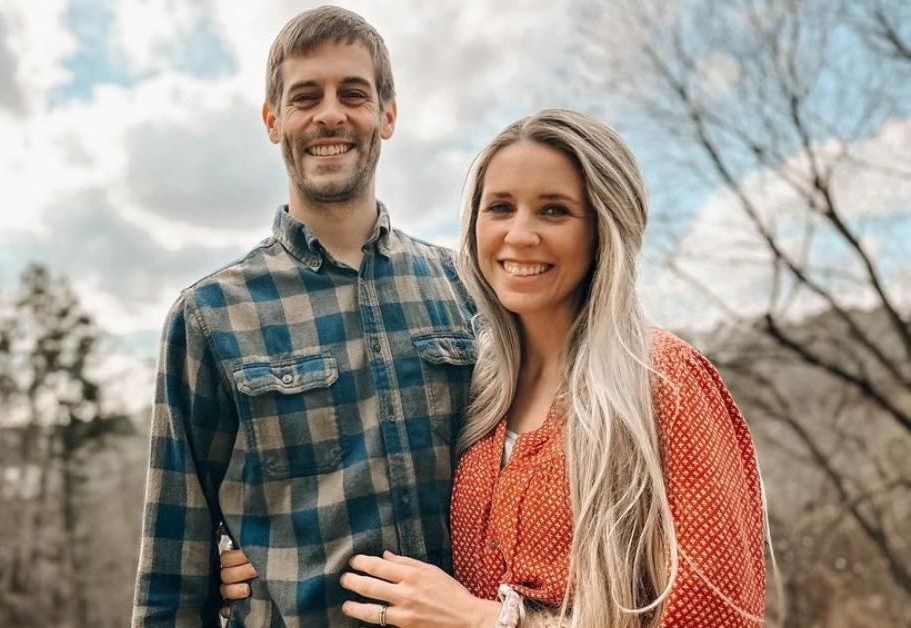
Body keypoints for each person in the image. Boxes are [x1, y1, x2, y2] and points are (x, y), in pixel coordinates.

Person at [223, 109, 767, 627]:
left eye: (554, 210)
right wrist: (259, 557)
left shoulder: (665, 382)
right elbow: (385, 493)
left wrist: (484, 620)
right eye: (501, 208)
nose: (520, 235)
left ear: (604, 226)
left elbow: (713, 615)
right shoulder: (473, 383)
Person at [131, 6, 476, 626]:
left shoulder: (466, 289)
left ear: (388, 115)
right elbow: (170, 570)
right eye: (305, 96)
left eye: (354, 93)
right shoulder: (209, 316)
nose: (330, 115)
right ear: (273, 120)